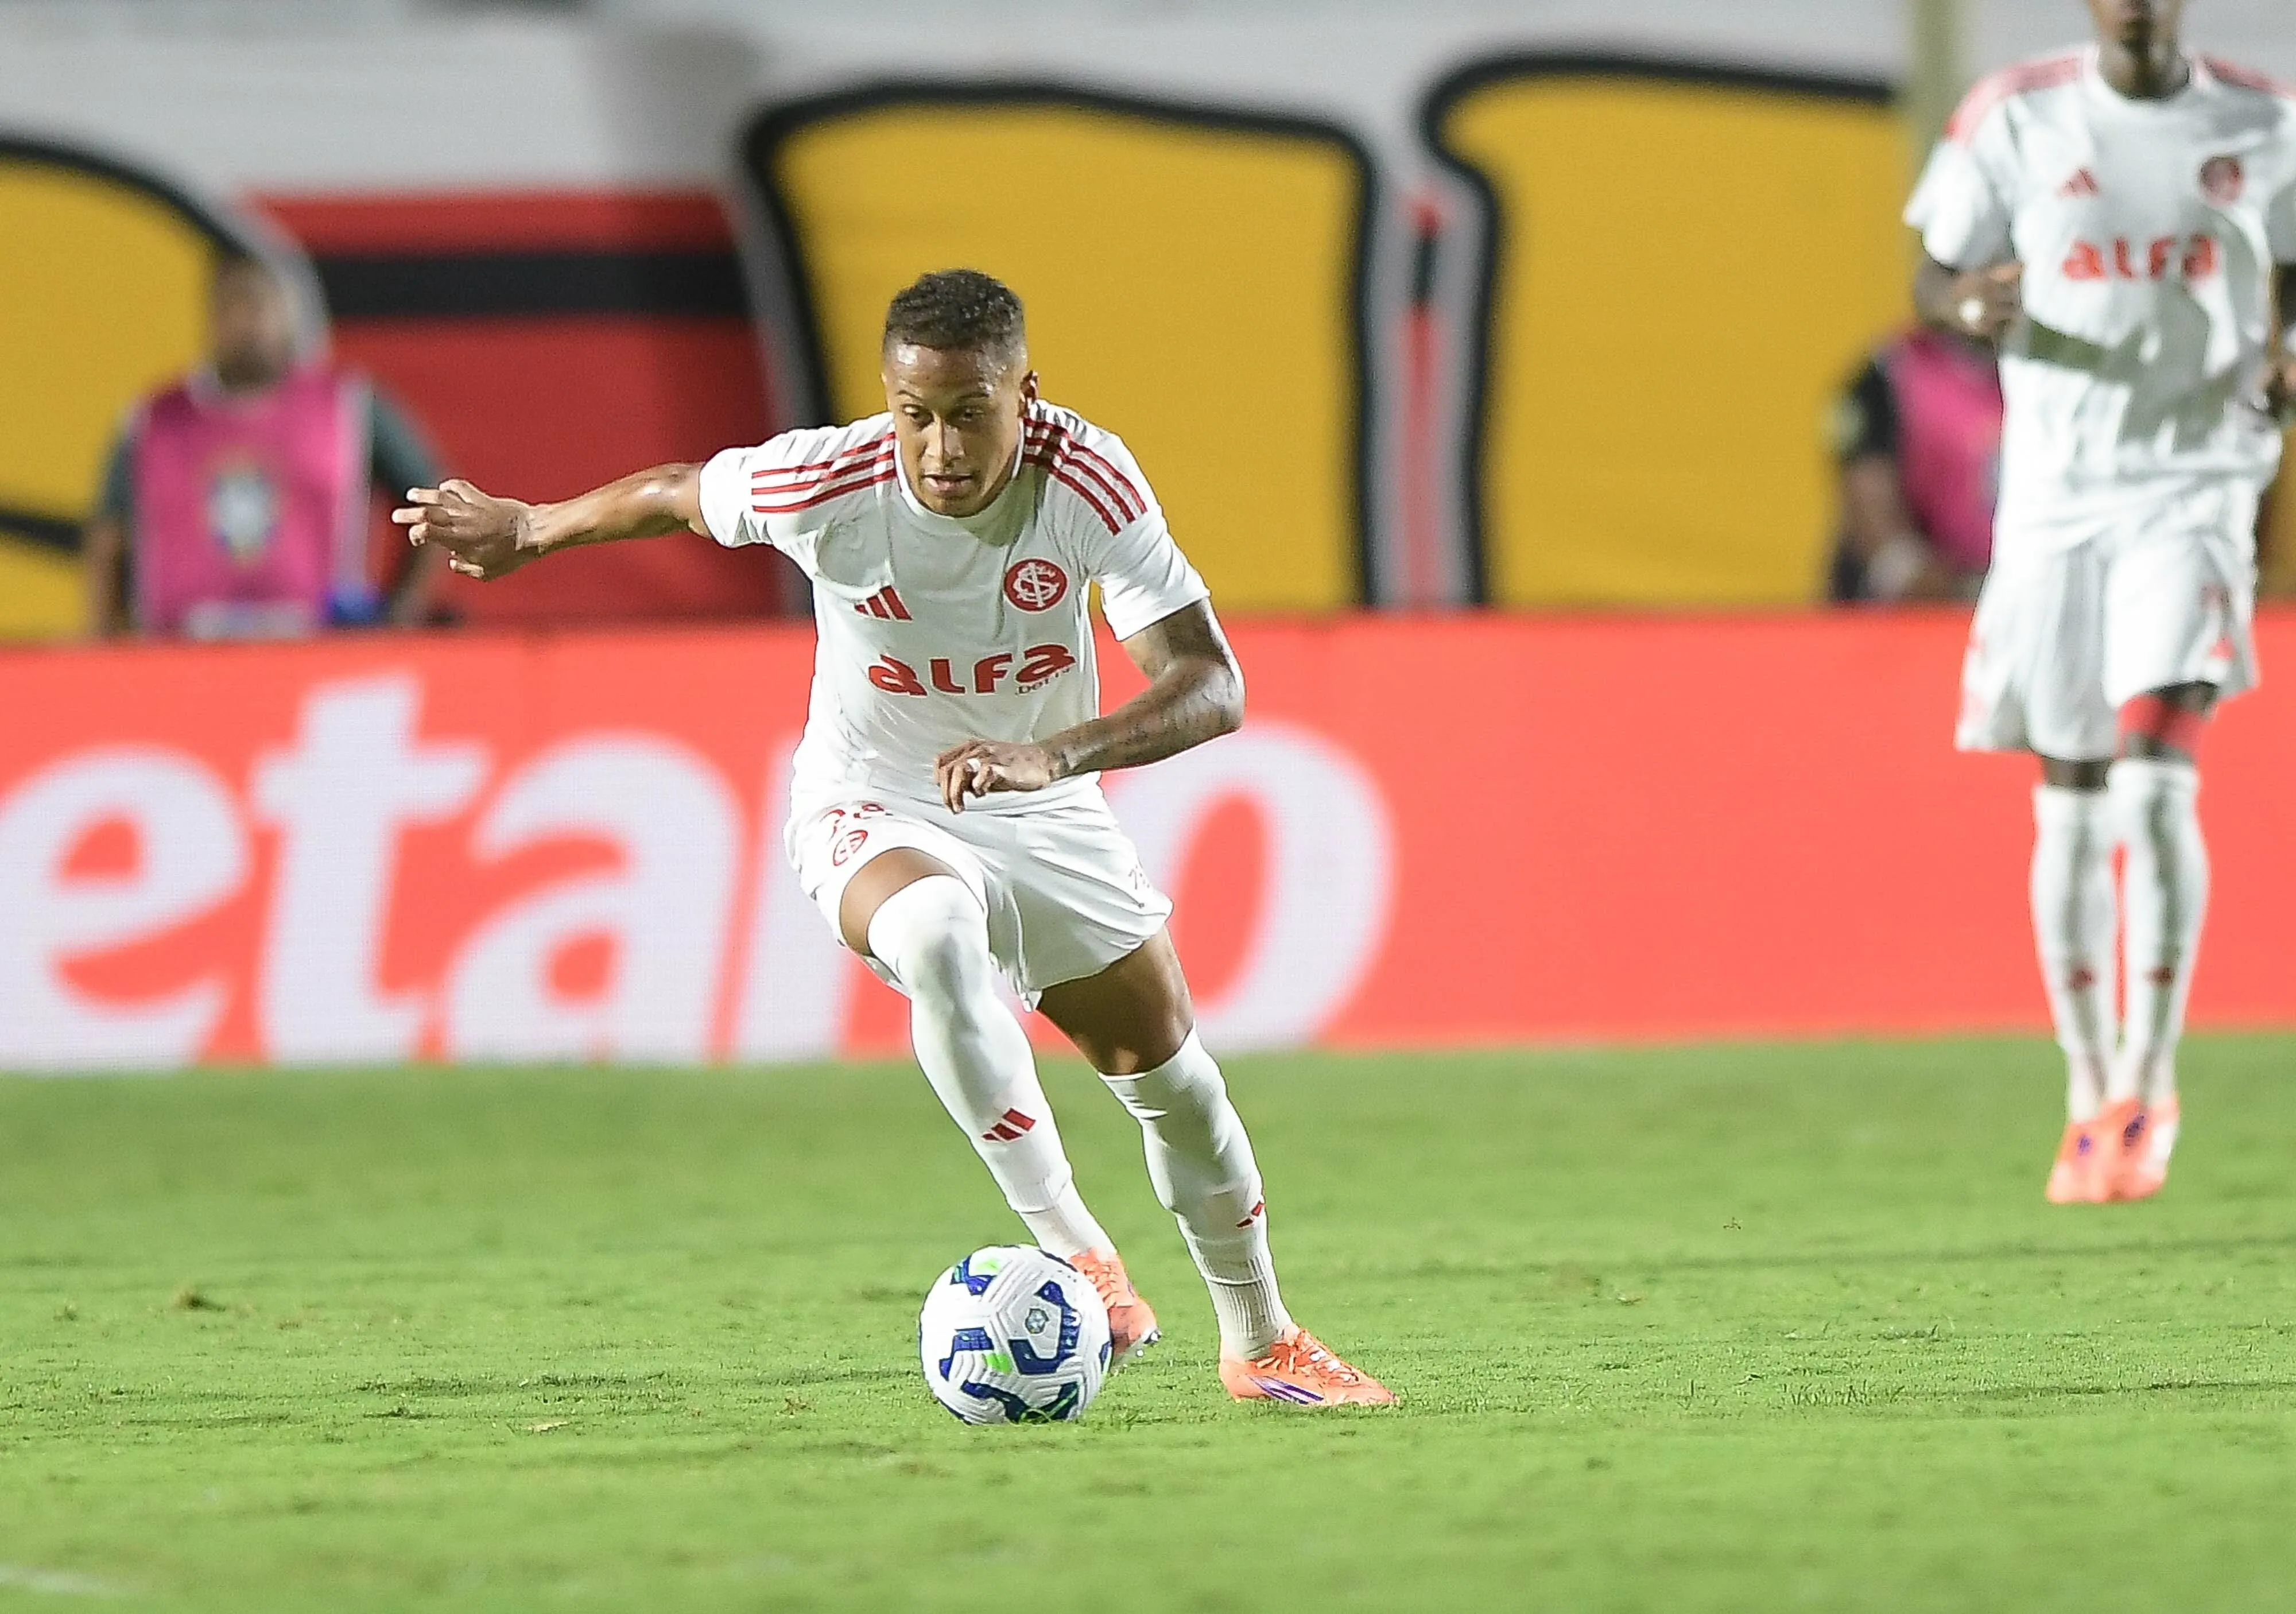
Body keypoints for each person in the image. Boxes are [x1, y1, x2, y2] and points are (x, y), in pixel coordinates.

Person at [395, 269, 1392, 1406]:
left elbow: (1211, 684)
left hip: (1041, 797)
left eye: (970, 409)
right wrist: (529, 526)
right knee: (932, 931)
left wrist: (1052, 756)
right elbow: (680, 492)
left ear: (1026, 393)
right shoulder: (832, 478)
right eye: (915, 411)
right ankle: (1075, 1249)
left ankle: (1261, 1344)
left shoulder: (1087, 478)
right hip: (872, 800)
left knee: (1179, 1084)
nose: (939, 445)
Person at [1905, 0, 2296, 1202]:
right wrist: (1963, 304)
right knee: (2070, 800)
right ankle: (2087, 1096)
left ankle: (2149, 1073)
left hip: (2193, 479)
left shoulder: (2262, 118)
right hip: (2056, 494)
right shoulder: (2013, 113)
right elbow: (1933, 274)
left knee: (2151, 770)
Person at [84, 247, 444, 638]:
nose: (246, 321)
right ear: (210, 317)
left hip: (318, 654)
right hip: (179, 660)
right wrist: (108, 642)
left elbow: (434, 504)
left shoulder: (349, 407)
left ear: (290, 314)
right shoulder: (154, 420)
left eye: (258, 304)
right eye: (231, 305)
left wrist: (397, 614)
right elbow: (108, 541)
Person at [1825, 327, 2003, 602]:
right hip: (1924, 611)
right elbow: (1870, 504)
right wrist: (1928, 580)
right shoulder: (1894, 373)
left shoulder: (2066, 371)